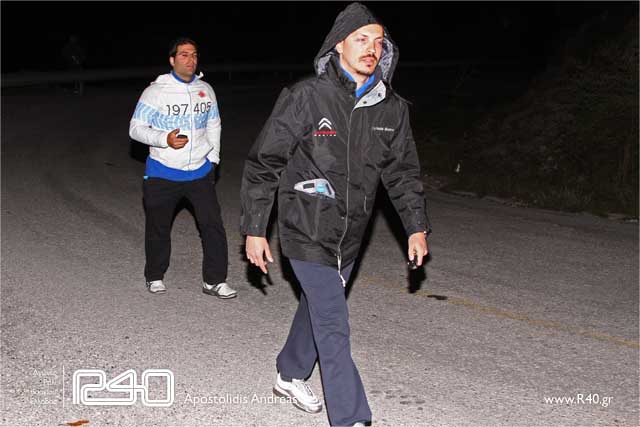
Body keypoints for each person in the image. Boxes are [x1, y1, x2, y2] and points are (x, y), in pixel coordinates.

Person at [240, 3, 430, 426]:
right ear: (338, 45)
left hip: (351, 233)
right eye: (361, 39)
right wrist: (255, 228)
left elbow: (402, 173)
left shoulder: (391, 109)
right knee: (333, 321)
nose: (371, 49)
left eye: (378, 42)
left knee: (318, 306)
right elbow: (265, 163)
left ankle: (290, 373)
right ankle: (351, 417)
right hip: (305, 227)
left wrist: (415, 226)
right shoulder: (306, 97)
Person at [129, 37, 236, 299]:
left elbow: (214, 125)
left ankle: (214, 281)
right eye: (184, 55)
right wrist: (163, 139)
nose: (191, 60)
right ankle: (155, 275)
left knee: (213, 226)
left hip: (200, 171)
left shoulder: (206, 90)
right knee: (158, 228)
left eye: (194, 55)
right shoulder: (156, 92)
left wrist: (214, 159)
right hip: (163, 172)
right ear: (172, 60)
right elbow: (135, 129)